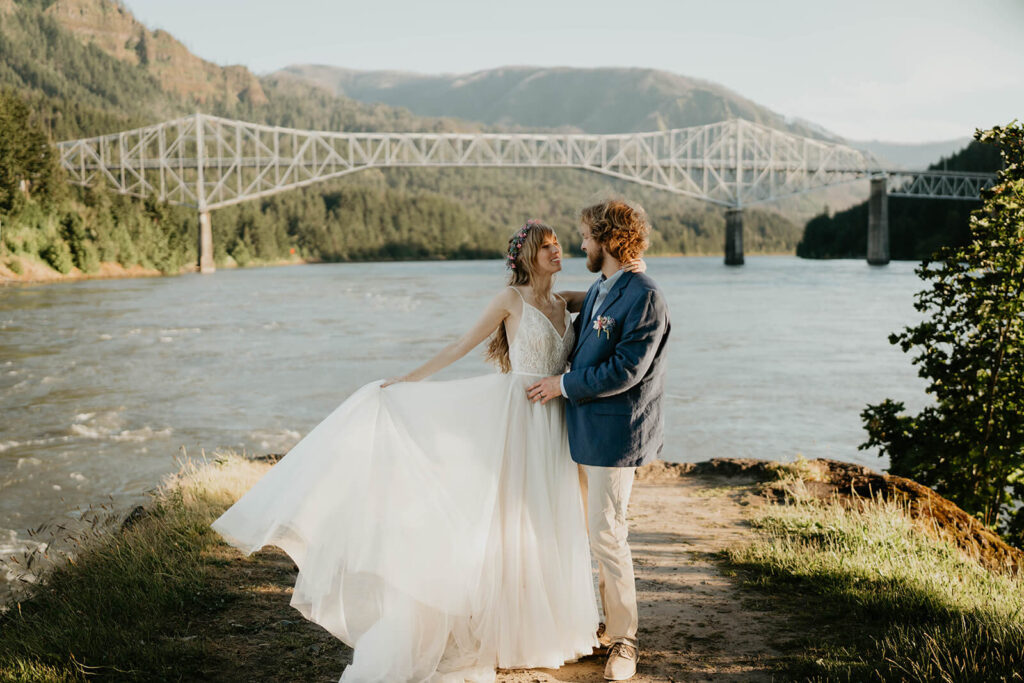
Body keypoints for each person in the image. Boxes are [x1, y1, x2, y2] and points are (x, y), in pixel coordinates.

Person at [211, 219, 644, 683]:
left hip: (555, 422)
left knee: (548, 521)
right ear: (526, 256)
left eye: (561, 245)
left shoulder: (568, 302)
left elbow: (609, 292)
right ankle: (509, 631)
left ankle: (551, 626)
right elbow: (462, 344)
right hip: (517, 420)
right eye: (548, 247)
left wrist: (634, 266)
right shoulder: (509, 301)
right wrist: (409, 380)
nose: (559, 252)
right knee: (508, 522)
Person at [527, 200, 670, 681]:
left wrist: (560, 385)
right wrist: (539, 297)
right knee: (594, 532)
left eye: (586, 236)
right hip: (585, 431)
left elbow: (627, 369)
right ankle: (609, 628)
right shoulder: (605, 286)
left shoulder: (644, 295)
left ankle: (626, 641)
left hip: (616, 433)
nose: (581, 244)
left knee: (608, 533)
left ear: (609, 240)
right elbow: (585, 306)